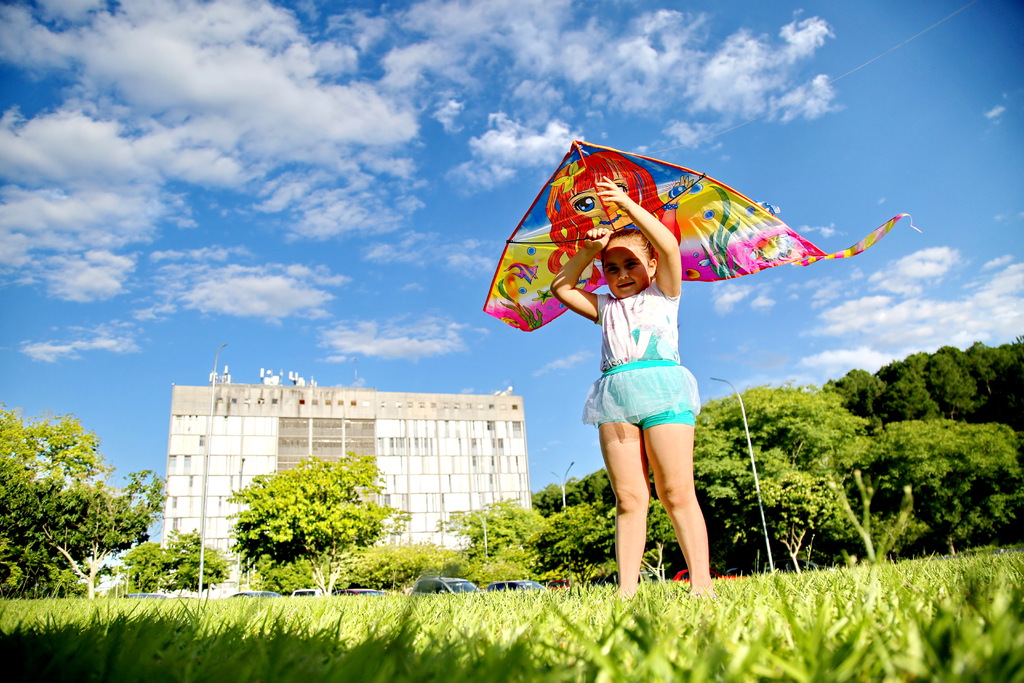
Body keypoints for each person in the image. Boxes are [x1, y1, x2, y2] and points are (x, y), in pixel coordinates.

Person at [551, 176, 715, 599]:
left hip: (664, 389)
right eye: (611, 268)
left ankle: (701, 586)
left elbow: (669, 245)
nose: (621, 274)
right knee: (629, 497)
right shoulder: (604, 308)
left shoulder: (665, 294)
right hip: (616, 399)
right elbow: (561, 287)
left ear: (652, 267)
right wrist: (588, 251)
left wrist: (625, 205)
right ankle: (626, 592)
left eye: (631, 264)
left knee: (676, 490)